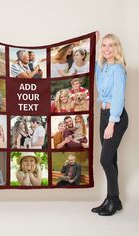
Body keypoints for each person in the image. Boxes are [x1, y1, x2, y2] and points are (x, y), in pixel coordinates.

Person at [91, 33, 128, 216]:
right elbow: (93, 66)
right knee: (111, 159)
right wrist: (94, 40)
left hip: (116, 117)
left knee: (105, 159)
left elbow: (119, 99)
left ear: (117, 48)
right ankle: (113, 200)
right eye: (104, 45)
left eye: (110, 45)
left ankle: (113, 200)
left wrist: (111, 123)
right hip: (104, 115)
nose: (106, 49)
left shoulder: (118, 69)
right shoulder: (103, 67)